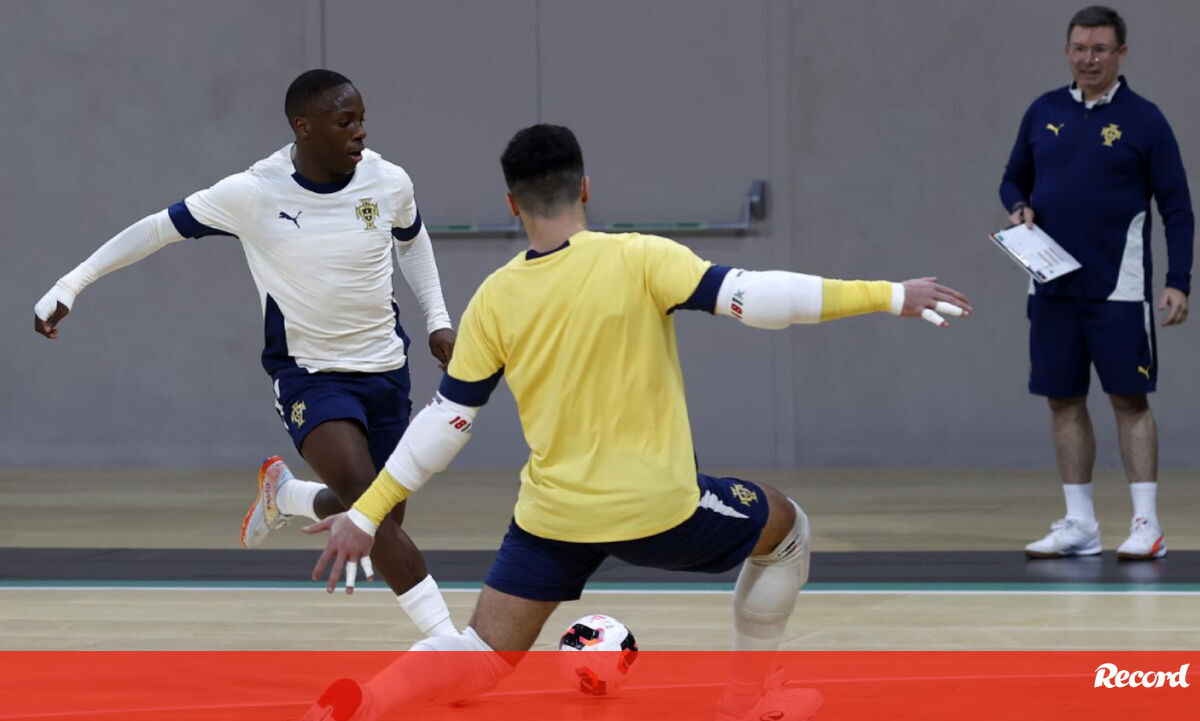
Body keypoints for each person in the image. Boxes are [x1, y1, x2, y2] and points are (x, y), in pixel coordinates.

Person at [298, 124, 971, 721]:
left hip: (553, 518)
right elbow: (761, 298)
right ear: (585, 187)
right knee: (787, 530)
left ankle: (365, 702)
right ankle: (747, 702)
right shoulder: (640, 258)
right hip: (659, 511)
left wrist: (368, 513)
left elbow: (445, 424)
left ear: (512, 204)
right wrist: (890, 295)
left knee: (483, 650)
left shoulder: (493, 299)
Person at [33, 69, 459, 636]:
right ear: (303, 127)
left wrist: (438, 320)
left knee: (379, 514)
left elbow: (413, 241)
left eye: (361, 120)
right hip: (310, 376)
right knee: (371, 511)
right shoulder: (253, 193)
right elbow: (155, 229)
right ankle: (453, 646)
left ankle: (288, 495)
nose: (360, 132)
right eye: (344, 122)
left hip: (386, 369)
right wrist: (71, 283)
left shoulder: (388, 181)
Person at [999, 6, 1193, 560]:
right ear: (1067, 51)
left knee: (1129, 401)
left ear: (1121, 54)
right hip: (1051, 286)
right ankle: (1080, 525)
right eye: (1080, 48)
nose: (1089, 59)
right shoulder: (1044, 111)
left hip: (1119, 291)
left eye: (1100, 49)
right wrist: (1019, 207)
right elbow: (1013, 178)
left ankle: (1147, 525)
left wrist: (1178, 280)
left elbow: (1178, 208)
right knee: (1063, 401)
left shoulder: (1145, 121)